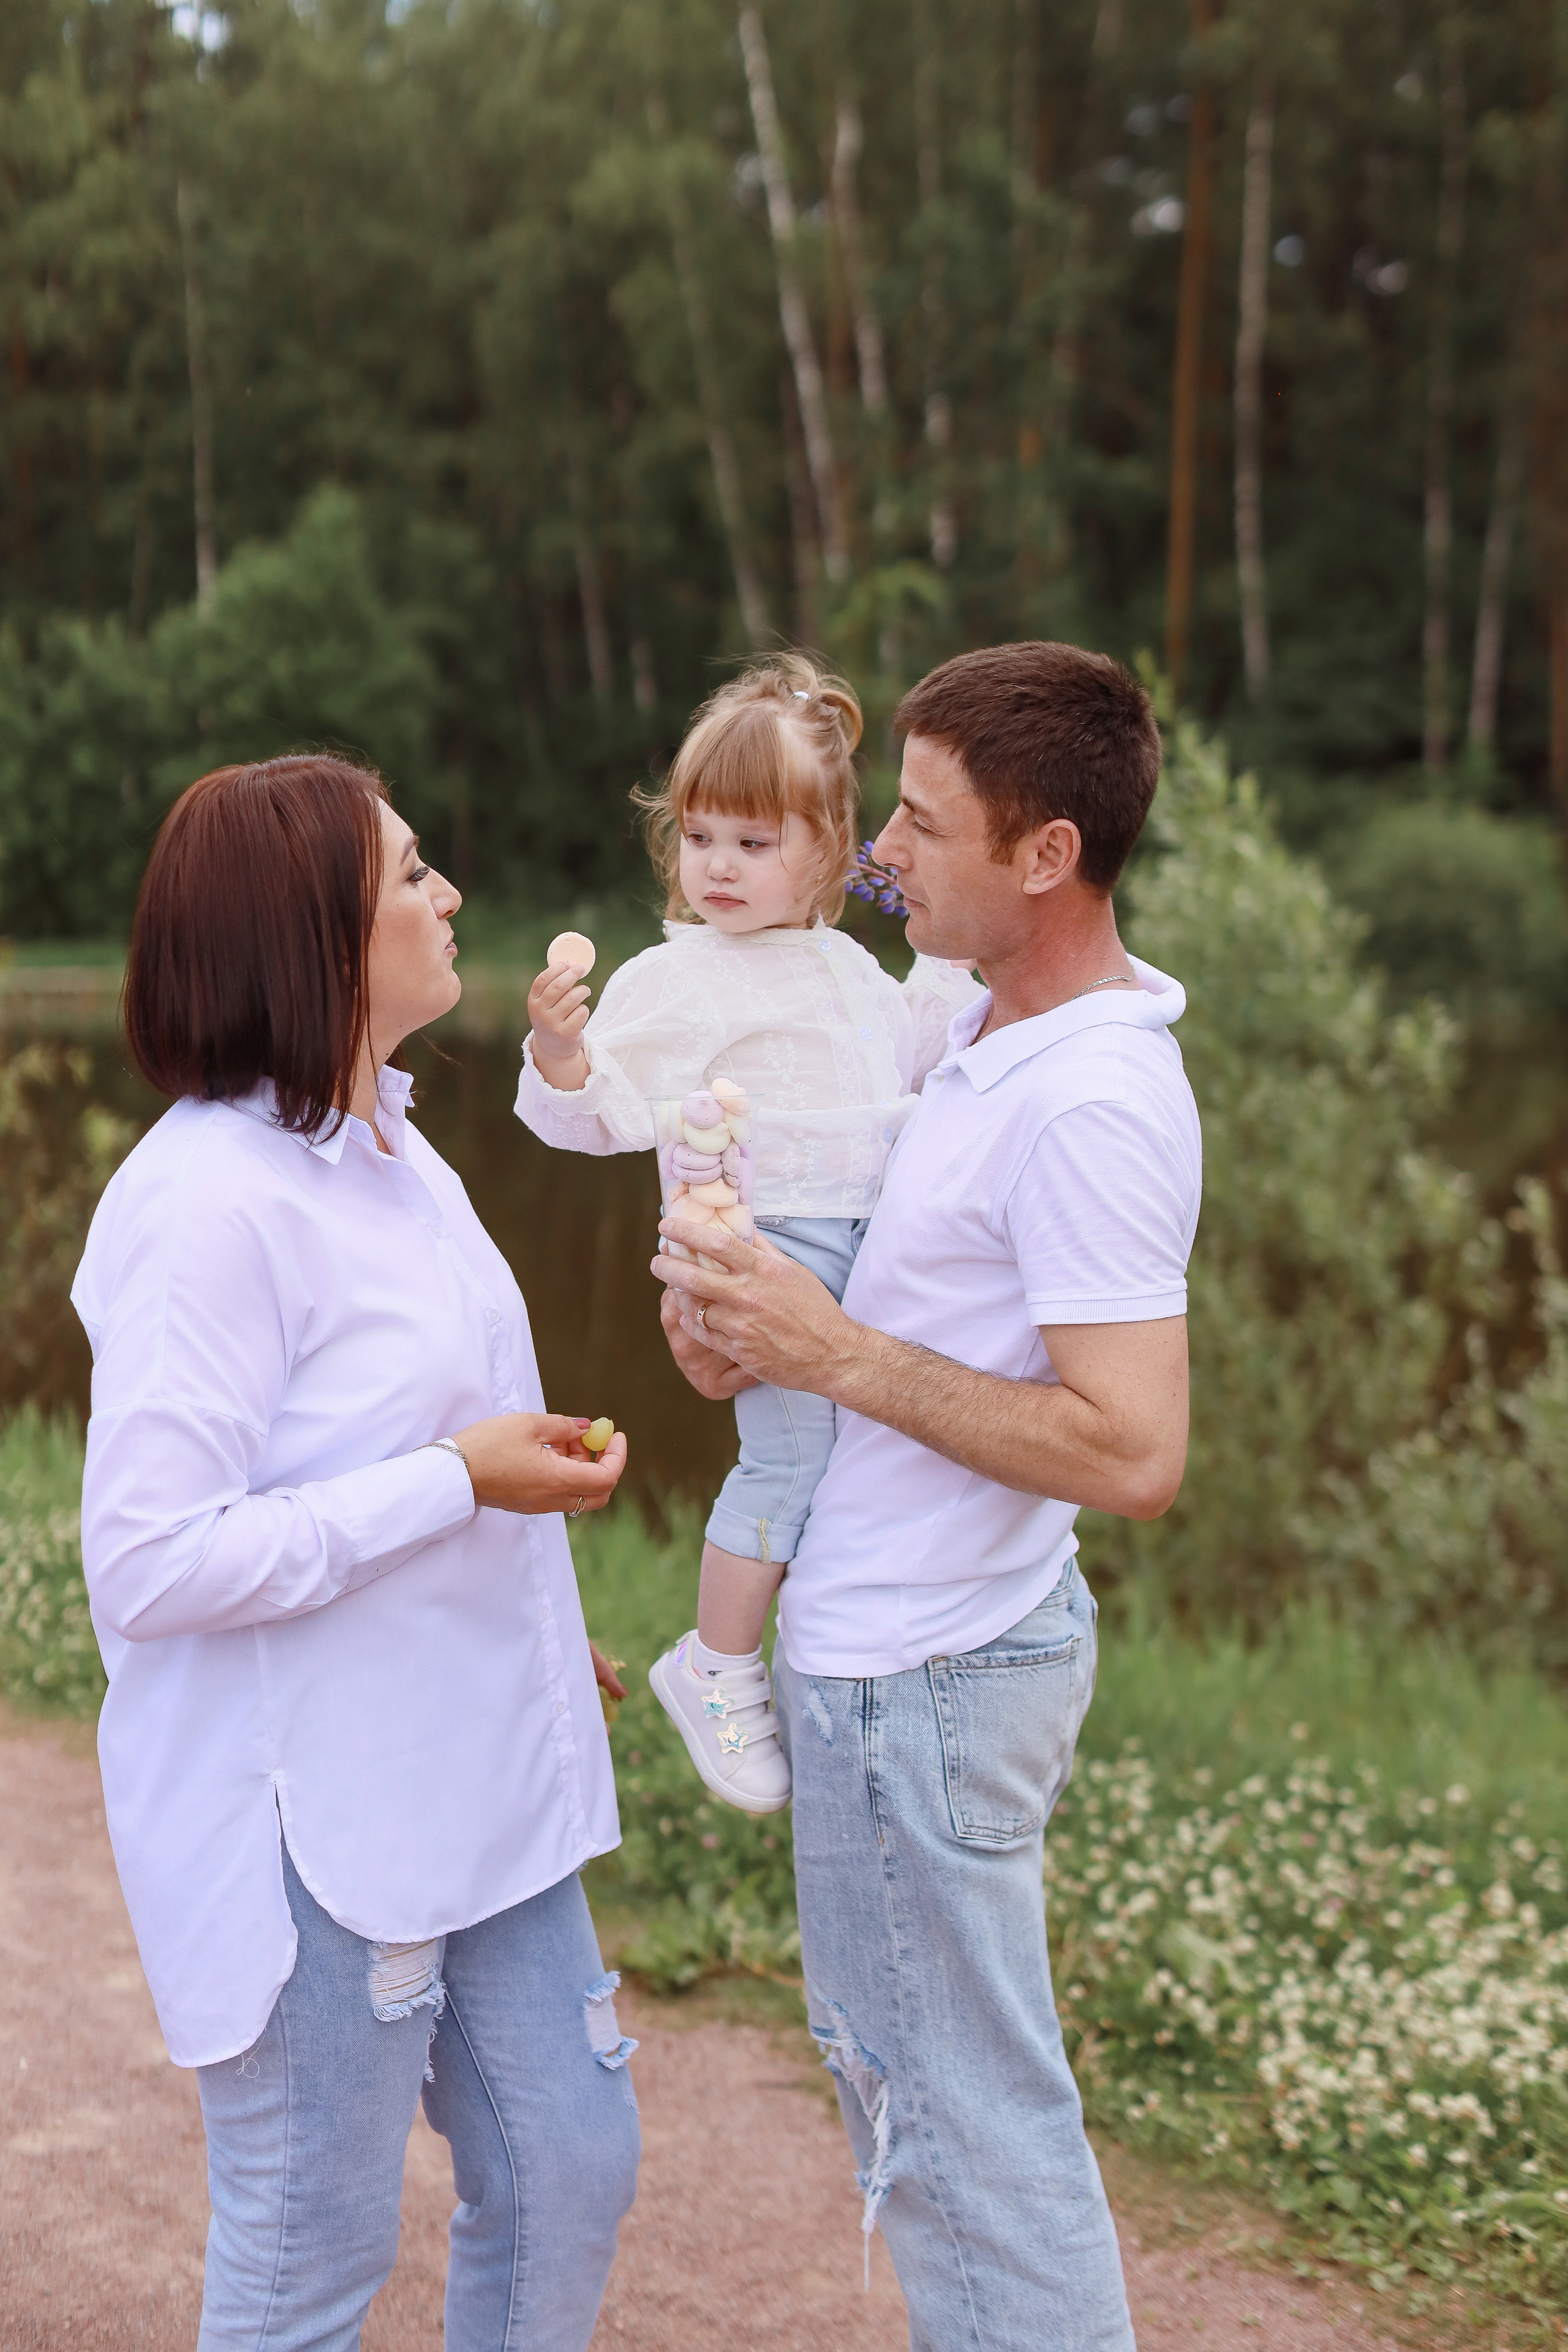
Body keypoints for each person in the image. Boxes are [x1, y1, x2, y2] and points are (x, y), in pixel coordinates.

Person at [652, 642, 1200, 2349]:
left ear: (1048, 856)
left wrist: (831, 1355)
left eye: (923, 822)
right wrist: (735, 1327)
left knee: (968, 2141)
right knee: (926, 2106)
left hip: (932, 1683)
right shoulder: (959, 1022)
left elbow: (1134, 1452)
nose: (882, 850)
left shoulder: (1096, 1100)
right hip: (892, 1662)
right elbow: (845, 1320)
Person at [72, 755, 639, 2352]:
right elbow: (153, 1563)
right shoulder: (204, 1207)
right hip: (315, 1826)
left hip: (477, 1778)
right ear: (317, 939)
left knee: (571, 2166)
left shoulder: (391, 1142)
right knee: (311, 2254)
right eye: (409, 875)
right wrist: (452, 1484)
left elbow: (404, 1465)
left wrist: (536, 1641)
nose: (449, 893)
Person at [515, 655, 979, 1814]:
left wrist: (951, 948)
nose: (717, 867)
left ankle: (814, 1636)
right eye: (701, 837)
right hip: (765, 1248)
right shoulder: (682, 977)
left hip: (864, 1246)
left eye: (754, 843)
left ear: (827, 854)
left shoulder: (842, 961)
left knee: (862, 1451)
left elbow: (914, 1055)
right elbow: (602, 1109)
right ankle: (717, 1661)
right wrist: (564, 1052)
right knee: (784, 1455)